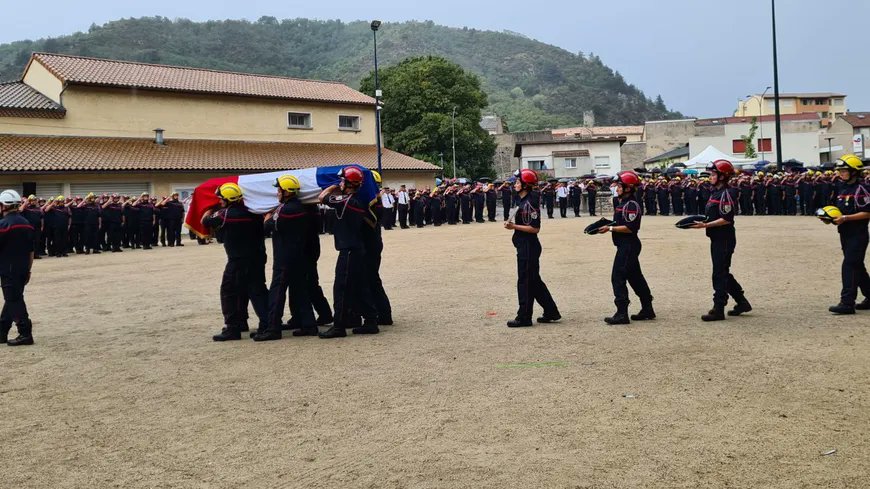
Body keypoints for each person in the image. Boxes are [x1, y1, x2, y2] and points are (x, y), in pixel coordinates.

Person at [202, 183, 269, 341]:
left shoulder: (225, 214)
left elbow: (205, 220)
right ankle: (267, 323)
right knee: (257, 291)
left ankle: (233, 328)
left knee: (229, 292)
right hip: (257, 257)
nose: (219, 201)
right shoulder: (253, 212)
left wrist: (209, 207)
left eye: (221, 199)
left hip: (237, 260)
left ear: (228, 199)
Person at [318, 166, 379, 338]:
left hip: (349, 251)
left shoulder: (345, 201)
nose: (341, 183)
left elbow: (322, 197)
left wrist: (333, 185)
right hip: (357, 249)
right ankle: (370, 321)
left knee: (341, 288)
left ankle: (338, 327)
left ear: (349, 183)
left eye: (343, 180)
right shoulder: (358, 202)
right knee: (360, 287)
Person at [690, 160, 752, 321]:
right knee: (723, 272)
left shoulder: (727, 193)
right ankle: (742, 301)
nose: (710, 177)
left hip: (724, 237)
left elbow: (726, 218)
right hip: (717, 237)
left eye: (713, 174)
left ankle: (718, 308)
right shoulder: (716, 192)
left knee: (719, 273)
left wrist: (705, 225)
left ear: (722, 176)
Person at [257, 175, 315, 341]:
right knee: (300, 290)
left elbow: (267, 227)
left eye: (279, 189)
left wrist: (267, 216)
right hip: (299, 255)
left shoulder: (285, 209)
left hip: (284, 258)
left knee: (277, 292)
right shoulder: (301, 207)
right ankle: (309, 325)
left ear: (286, 191)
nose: (277, 193)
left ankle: (272, 328)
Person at [596, 172, 655, 324]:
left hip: (629, 245)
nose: (617, 188)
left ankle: (622, 313)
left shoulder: (631, 204)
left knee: (618, 276)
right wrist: (606, 225)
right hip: (625, 244)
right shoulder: (622, 202)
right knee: (635, 277)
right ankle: (647, 308)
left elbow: (630, 228)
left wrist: (609, 229)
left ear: (628, 188)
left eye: (620, 185)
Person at [505, 169, 560, 328]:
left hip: (528, 246)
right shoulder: (523, 200)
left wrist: (513, 226)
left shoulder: (528, 203)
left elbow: (535, 228)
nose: (514, 184)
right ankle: (551, 311)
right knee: (534, 281)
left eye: (517, 182)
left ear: (525, 185)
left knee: (525, 281)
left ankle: (524, 317)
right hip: (524, 245)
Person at [828, 155, 870, 314]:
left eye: (844, 170)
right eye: (840, 170)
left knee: (849, 265)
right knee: (857, 265)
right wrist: (831, 217)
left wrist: (846, 218)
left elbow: (867, 212)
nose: (841, 173)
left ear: (854, 172)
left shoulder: (863, 188)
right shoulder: (843, 187)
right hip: (845, 233)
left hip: (858, 234)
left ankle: (847, 302)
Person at [0, 190, 35, 346]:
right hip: (22, 268)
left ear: (3, 206)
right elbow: (31, 251)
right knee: (12, 300)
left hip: (8, 268)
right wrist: (28, 270)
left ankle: (25, 333)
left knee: (14, 300)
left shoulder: (3, 225)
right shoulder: (27, 224)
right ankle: (1, 332)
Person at [20, 195, 43, 260]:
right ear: (29, 201)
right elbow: (20, 210)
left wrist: (42, 226)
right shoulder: (26, 208)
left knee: (37, 241)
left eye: (34, 200)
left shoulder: (38, 209)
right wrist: (25, 202)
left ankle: (36, 254)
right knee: (29, 241)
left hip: (37, 227)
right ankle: (29, 255)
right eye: (32, 200)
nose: (33, 202)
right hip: (29, 227)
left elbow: (41, 218)